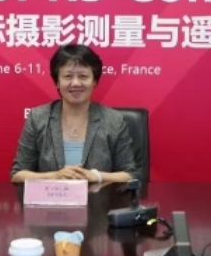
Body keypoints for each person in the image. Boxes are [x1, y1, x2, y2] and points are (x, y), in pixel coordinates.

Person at [10, 44, 137, 183]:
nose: (75, 83)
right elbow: (18, 175)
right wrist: (55, 176)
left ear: (94, 81)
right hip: (51, 197)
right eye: (68, 76)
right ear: (57, 82)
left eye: (83, 76)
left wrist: (96, 176)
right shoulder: (38, 118)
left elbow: (130, 174)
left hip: (99, 197)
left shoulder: (113, 120)